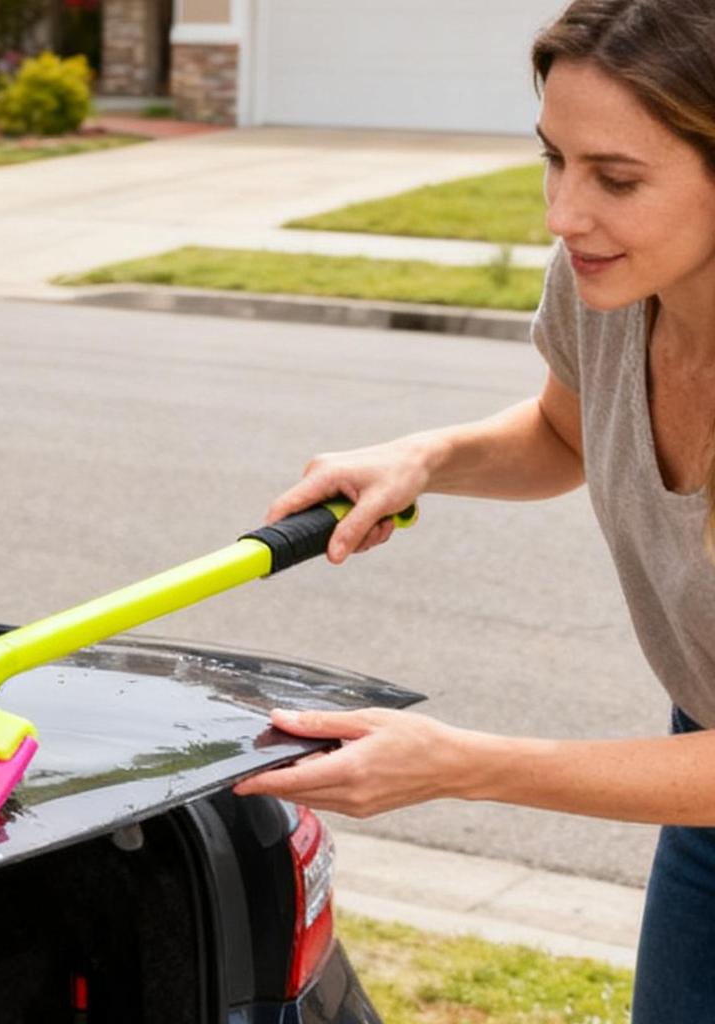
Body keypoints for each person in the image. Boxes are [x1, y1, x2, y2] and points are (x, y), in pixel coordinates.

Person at [232, 1, 715, 1019]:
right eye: (554, 159)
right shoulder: (608, 289)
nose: (561, 214)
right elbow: (564, 435)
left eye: (615, 178)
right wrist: (425, 456)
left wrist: (459, 765)